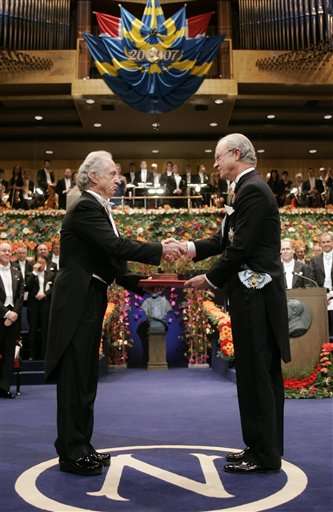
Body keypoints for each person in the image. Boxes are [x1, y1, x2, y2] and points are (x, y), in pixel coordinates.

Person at [45, 150, 183, 476]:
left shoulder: (99, 207)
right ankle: (71, 451)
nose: (117, 178)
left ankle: (82, 445)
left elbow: (113, 264)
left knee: (85, 377)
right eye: (112, 173)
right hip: (77, 302)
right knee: (75, 377)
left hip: (90, 298)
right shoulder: (86, 208)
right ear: (94, 177)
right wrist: (160, 249)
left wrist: (144, 283)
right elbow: (117, 248)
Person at [173, 133, 290, 473]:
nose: (214, 164)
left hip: (257, 298)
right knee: (252, 375)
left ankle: (265, 454)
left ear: (236, 154)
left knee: (258, 376)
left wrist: (209, 280)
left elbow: (241, 250)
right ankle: (257, 446)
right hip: (249, 298)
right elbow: (224, 240)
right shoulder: (246, 189)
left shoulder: (252, 189)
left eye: (218, 156)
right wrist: (189, 247)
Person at [0, 242, 24, 398]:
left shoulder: (17, 271)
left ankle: (4, 387)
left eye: (9, 250)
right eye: (4, 250)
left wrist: (14, 313)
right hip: (1, 316)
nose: (7, 253)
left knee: (9, 354)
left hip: (14, 319)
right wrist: (6, 313)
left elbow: (21, 294)